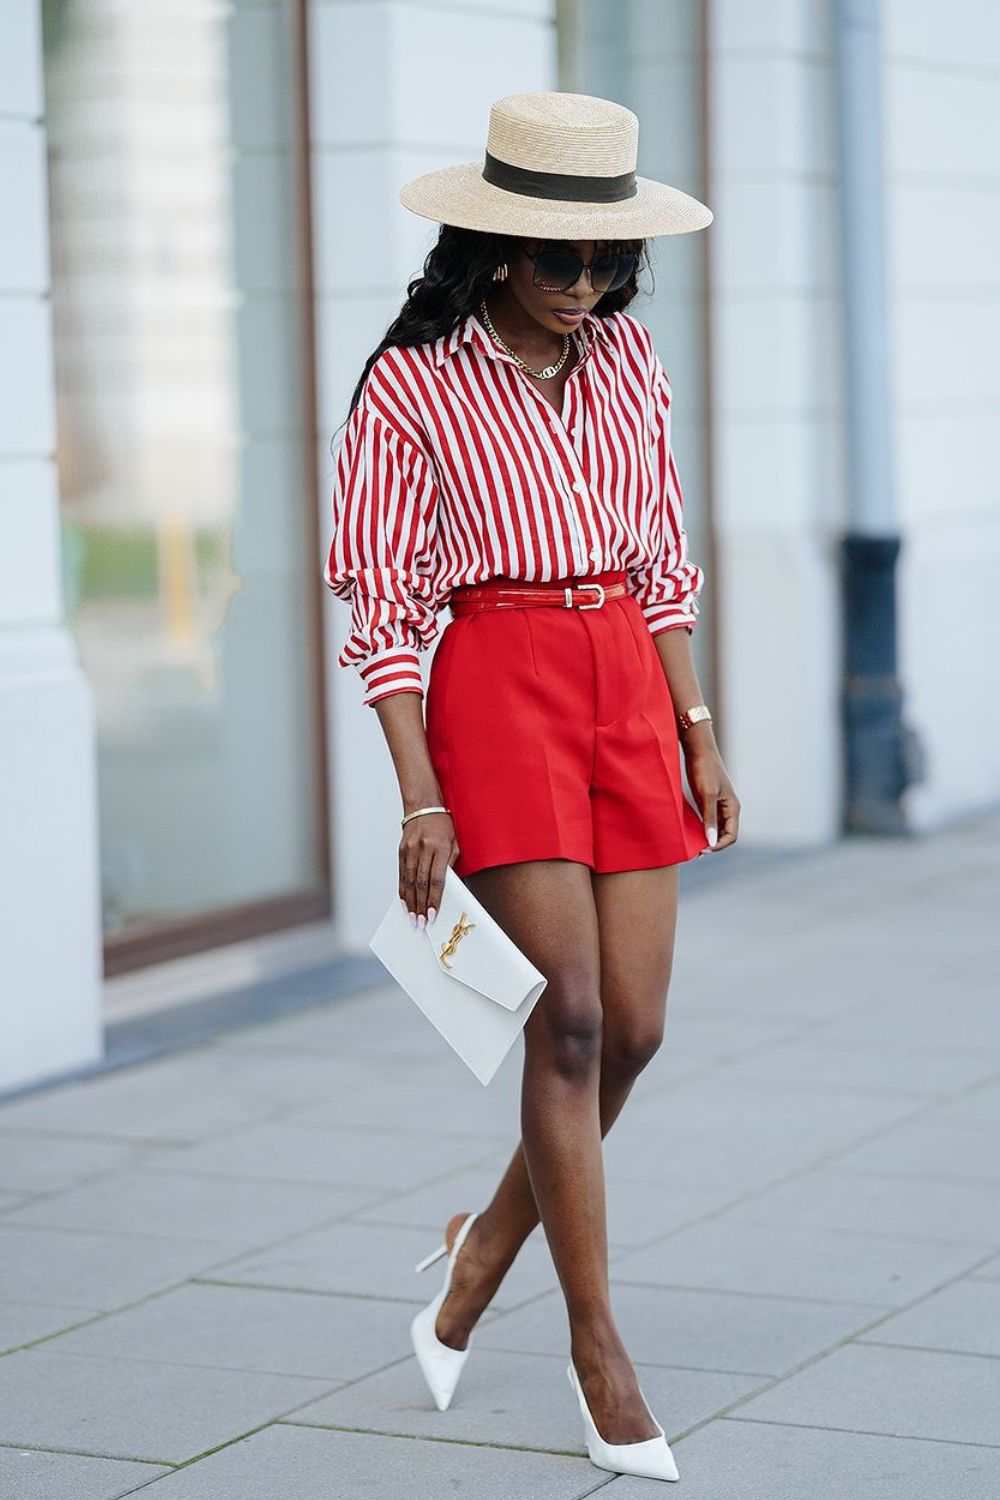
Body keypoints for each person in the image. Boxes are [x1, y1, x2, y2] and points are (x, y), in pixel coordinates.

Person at [324, 90, 740, 1483]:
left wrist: (697, 725)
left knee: (637, 1024)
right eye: (559, 261)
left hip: (627, 678)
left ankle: (484, 1243)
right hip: (495, 685)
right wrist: (418, 795)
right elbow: (381, 610)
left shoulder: (627, 361)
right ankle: (596, 1349)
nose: (585, 287)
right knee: (560, 1016)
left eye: (607, 262)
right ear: (494, 247)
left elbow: (664, 553)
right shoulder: (414, 385)